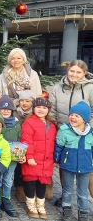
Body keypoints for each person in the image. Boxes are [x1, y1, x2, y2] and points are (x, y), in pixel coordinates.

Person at [49, 60, 93, 206]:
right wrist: (57, 131)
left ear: (84, 73)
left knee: (89, 170)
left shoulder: (90, 88)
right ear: (68, 70)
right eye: (72, 71)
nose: (74, 74)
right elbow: (53, 110)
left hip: (84, 134)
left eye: (78, 72)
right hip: (65, 134)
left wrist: (88, 129)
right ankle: (65, 196)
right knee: (65, 166)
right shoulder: (57, 87)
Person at [54, 101, 92, 221]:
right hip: (68, 165)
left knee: (82, 192)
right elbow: (58, 148)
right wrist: (56, 160)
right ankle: (67, 209)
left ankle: (83, 211)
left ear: (84, 119)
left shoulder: (91, 134)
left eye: (77, 116)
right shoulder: (65, 131)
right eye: (71, 114)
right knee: (67, 189)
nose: (73, 117)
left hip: (85, 167)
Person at [21, 97, 57, 219]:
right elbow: (27, 141)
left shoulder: (51, 125)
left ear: (48, 110)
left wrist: (55, 158)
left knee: (42, 183)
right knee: (31, 182)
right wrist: (29, 156)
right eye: (38, 107)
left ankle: (40, 204)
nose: (41, 110)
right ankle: (30, 204)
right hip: (33, 159)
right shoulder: (29, 122)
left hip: (46, 160)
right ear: (34, 108)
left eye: (44, 108)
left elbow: (55, 142)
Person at [0, 95, 21, 218]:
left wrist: (21, 152)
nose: (5, 111)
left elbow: (20, 140)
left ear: (12, 111)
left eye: (8, 109)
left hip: (11, 159)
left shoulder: (16, 124)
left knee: (8, 180)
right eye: (3, 109)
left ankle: (6, 199)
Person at [13, 90, 35, 202]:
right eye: (22, 100)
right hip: (18, 143)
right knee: (18, 167)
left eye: (27, 101)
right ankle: (19, 186)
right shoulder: (15, 113)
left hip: (30, 143)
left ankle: (29, 185)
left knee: (29, 166)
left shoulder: (35, 113)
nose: (24, 103)